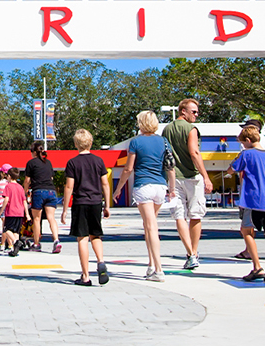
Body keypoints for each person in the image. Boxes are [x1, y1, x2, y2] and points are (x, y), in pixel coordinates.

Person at [117, 109, 177, 280]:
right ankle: (151, 265)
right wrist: (171, 189)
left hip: (143, 186)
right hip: (160, 186)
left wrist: (119, 187)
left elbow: (128, 169)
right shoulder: (164, 141)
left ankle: (158, 269)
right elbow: (170, 167)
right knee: (148, 226)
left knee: (151, 227)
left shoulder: (136, 142)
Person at [230, 126, 265, 284]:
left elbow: (232, 169)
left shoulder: (246, 154)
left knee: (246, 230)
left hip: (252, 200)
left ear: (248, 141)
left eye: (242, 143)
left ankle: (257, 267)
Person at [162, 98, 210, 270]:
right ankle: (194, 252)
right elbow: (194, 152)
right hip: (192, 177)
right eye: (194, 111)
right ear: (183, 111)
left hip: (173, 177)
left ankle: (188, 252)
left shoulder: (167, 129)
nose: (196, 115)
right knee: (196, 214)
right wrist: (206, 176)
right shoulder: (191, 129)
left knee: (180, 216)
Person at [62, 129, 111, 286]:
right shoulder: (98, 161)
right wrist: (107, 205)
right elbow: (105, 183)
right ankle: (101, 261)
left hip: (80, 203)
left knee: (82, 238)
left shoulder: (72, 163)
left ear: (76, 144)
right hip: (96, 202)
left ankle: (85, 276)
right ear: (91, 143)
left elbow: (69, 187)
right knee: (95, 235)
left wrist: (64, 209)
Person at [24, 140, 61, 253]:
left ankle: (36, 244)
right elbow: (51, 178)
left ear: (34, 152)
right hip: (51, 191)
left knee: (36, 219)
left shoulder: (31, 163)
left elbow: (27, 180)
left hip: (38, 191)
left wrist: (25, 192)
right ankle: (56, 240)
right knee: (51, 218)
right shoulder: (48, 163)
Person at [0, 166, 28, 256]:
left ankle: (15, 242)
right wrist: (27, 213)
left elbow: (6, 199)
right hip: (20, 213)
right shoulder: (20, 187)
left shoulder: (8, 186)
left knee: (6, 229)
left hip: (11, 212)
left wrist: (1, 210)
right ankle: (15, 250)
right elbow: (24, 201)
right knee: (16, 231)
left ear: (9, 176)